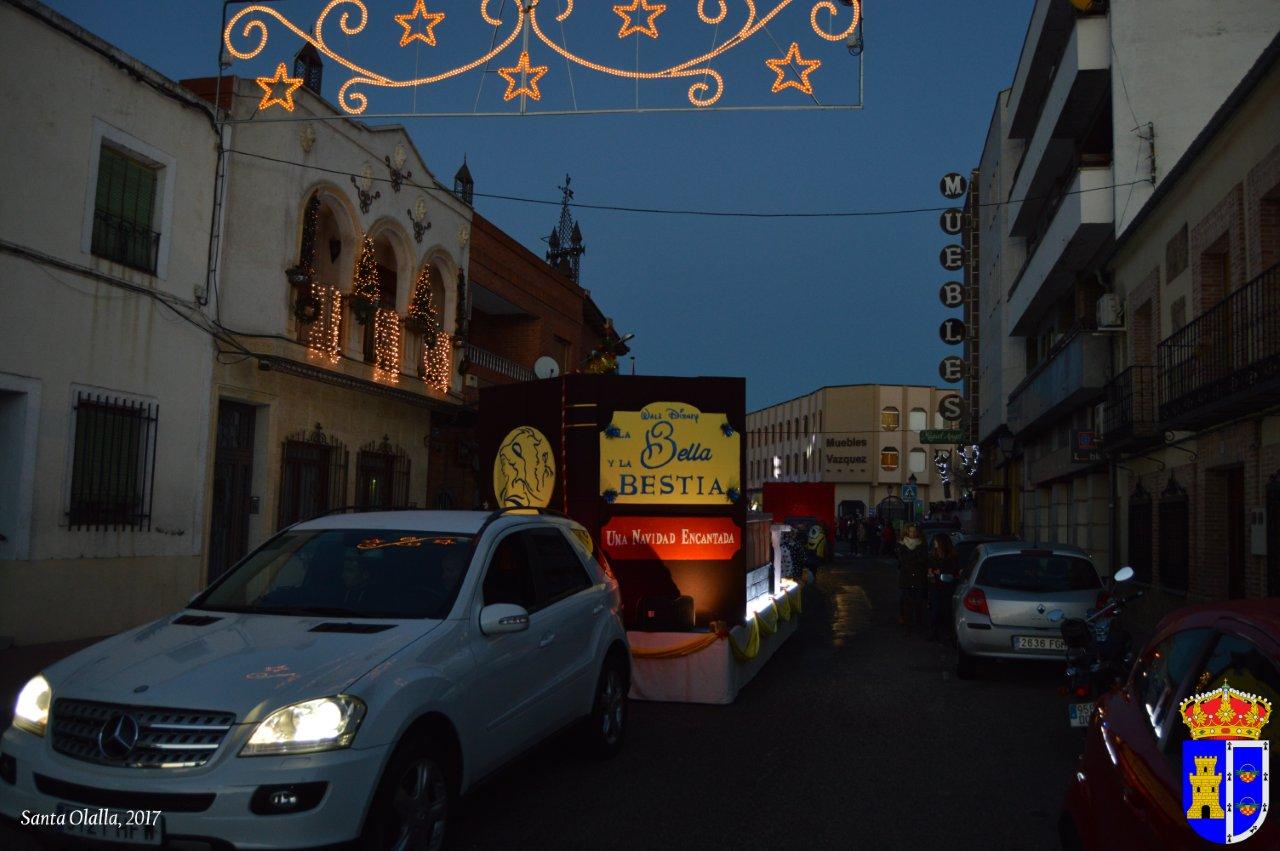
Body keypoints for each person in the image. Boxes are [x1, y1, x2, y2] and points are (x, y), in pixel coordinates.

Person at [927, 533, 960, 642]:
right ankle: (934, 633)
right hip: (935, 586)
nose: (934, 543)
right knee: (935, 610)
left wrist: (941, 572)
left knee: (946, 611)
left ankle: (947, 634)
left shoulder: (951, 557)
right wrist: (931, 572)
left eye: (936, 541)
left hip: (947, 587)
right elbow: (930, 568)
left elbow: (954, 571)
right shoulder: (933, 555)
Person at [897, 524, 927, 634]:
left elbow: (923, 560)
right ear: (907, 532)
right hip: (906, 578)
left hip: (918, 578)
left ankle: (918, 623)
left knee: (918, 601)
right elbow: (902, 560)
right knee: (906, 602)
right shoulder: (902, 545)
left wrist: (913, 560)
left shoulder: (922, 545)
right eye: (911, 531)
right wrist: (914, 560)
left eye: (914, 531)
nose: (913, 534)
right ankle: (907, 624)